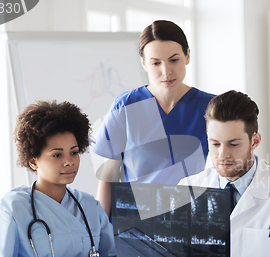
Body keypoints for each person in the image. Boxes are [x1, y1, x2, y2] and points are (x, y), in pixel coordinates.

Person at [143, 90, 270, 257]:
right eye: (215, 144)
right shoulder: (187, 188)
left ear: (255, 141)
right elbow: (159, 254)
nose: (222, 154)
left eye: (233, 144)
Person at [0, 101, 128, 257]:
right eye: (57, 155)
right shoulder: (12, 207)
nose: (69, 162)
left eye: (74, 153)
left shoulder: (88, 205)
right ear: (33, 161)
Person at [92, 20, 215, 217]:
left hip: (192, 219)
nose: (166, 71)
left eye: (173, 60)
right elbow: (109, 175)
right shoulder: (126, 105)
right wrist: (101, 233)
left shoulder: (211, 108)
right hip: (136, 223)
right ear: (144, 64)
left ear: (187, 56)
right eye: (156, 63)